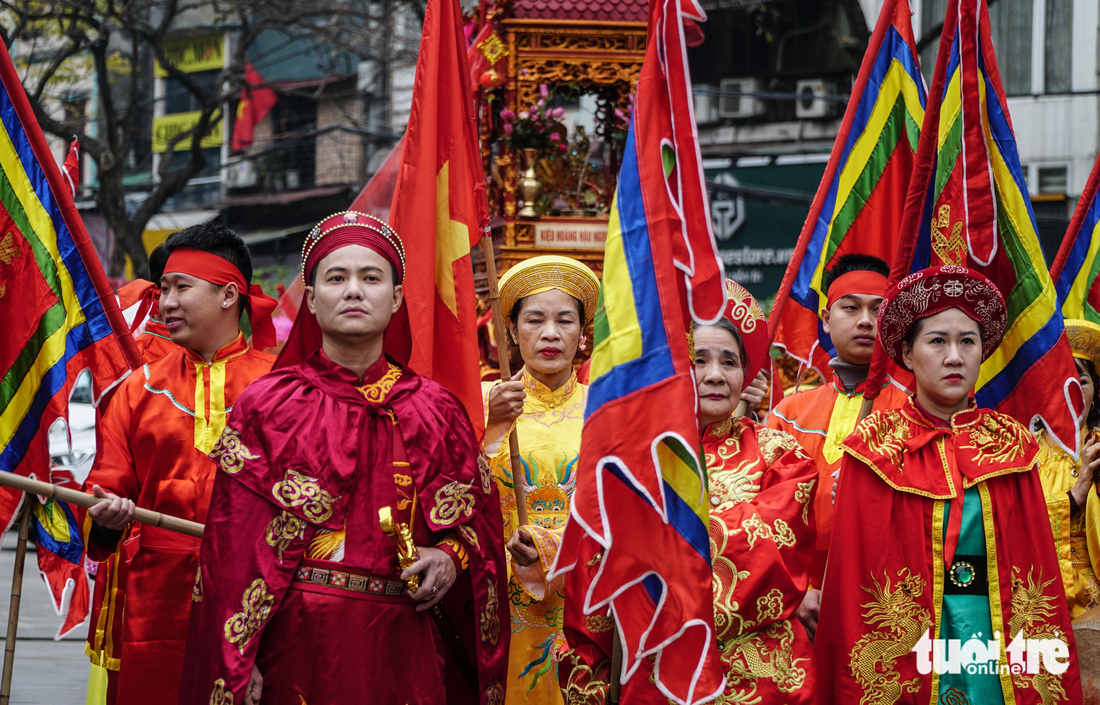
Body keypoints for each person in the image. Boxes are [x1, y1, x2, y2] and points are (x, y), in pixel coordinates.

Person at [179, 211, 510, 705]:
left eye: (371, 277)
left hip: (407, 651)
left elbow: (478, 526)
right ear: (311, 300)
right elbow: (231, 551)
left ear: (396, 298)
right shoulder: (269, 406)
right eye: (336, 277)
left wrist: (450, 558)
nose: (354, 290)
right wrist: (237, 662)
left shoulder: (437, 410)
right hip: (294, 652)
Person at [816, 265, 1083, 704]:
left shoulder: (1010, 445)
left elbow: (1038, 568)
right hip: (909, 642)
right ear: (907, 351)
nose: (954, 357)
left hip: (997, 635)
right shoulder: (875, 448)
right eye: (937, 341)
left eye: (967, 342)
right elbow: (854, 585)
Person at [559, 280, 820, 703]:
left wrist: (656, 548)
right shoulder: (627, 462)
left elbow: (774, 550)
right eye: (698, 360)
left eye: (730, 362)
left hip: (762, 678)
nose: (715, 375)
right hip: (654, 676)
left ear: (745, 374)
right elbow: (589, 580)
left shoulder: (782, 456)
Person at [82, 223, 278, 705]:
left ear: (229, 294)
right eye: (163, 289)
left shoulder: (281, 386)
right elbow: (105, 489)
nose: (165, 302)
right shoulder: (138, 388)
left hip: (257, 589)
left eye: (180, 288)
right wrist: (105, 520)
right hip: (155, 597)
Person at [768, 253, 909, 635]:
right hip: (797, 605)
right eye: (850, 307)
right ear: (827, 321)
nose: (865, 320)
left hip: (888, 602)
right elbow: (764, 517)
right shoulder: (788, 414)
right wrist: (795, 591)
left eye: (878, 309)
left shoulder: (914, 411)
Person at [482, 255, 599, 703]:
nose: (550, 333)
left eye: (564, 320)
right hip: (504, 603)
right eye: (534, 319)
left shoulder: (606, 410)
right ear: (511, 331)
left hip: (586, 601)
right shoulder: (484, 403)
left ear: (582, 333)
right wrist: (487, 426)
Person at [86, 244, 174, 705]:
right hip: (142, 542)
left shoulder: (261, 370)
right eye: (173, 287)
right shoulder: (131, 352)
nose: (176, 302)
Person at [1037, 319, 1100, 617]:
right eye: (1063, 381)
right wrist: (1075, 494)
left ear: (1095, 391)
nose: (1072, 392)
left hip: (1092, 593)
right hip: (1036, 588)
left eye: (1082, 382)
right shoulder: (1022, 451)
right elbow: (1012, 520)